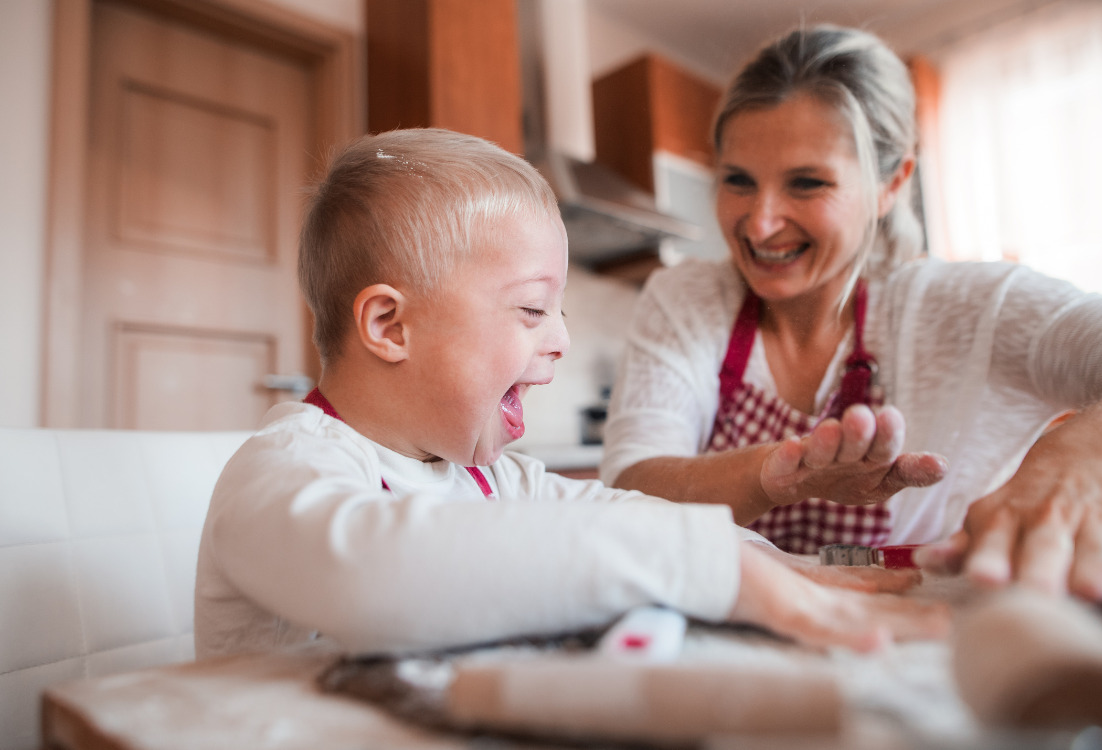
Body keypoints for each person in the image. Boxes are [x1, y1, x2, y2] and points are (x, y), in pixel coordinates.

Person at [193, 128, 946, 660]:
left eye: (559, 310)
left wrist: (795, 568)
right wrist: (707, 570)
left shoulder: (489, 477)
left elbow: (624, 517)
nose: (559, 337)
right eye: (529, 309)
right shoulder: (283, 471)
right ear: (389, 324)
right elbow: (375, 578)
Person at [602, 25, 1102, 602]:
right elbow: (631, 486)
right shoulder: (685, 299)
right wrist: (775, 475)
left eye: (806, 183)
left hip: (916, 634)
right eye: (738, 181)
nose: (760, 222)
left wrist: (1081, 456)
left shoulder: (976, 305)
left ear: (891, 183)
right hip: (732, 620)